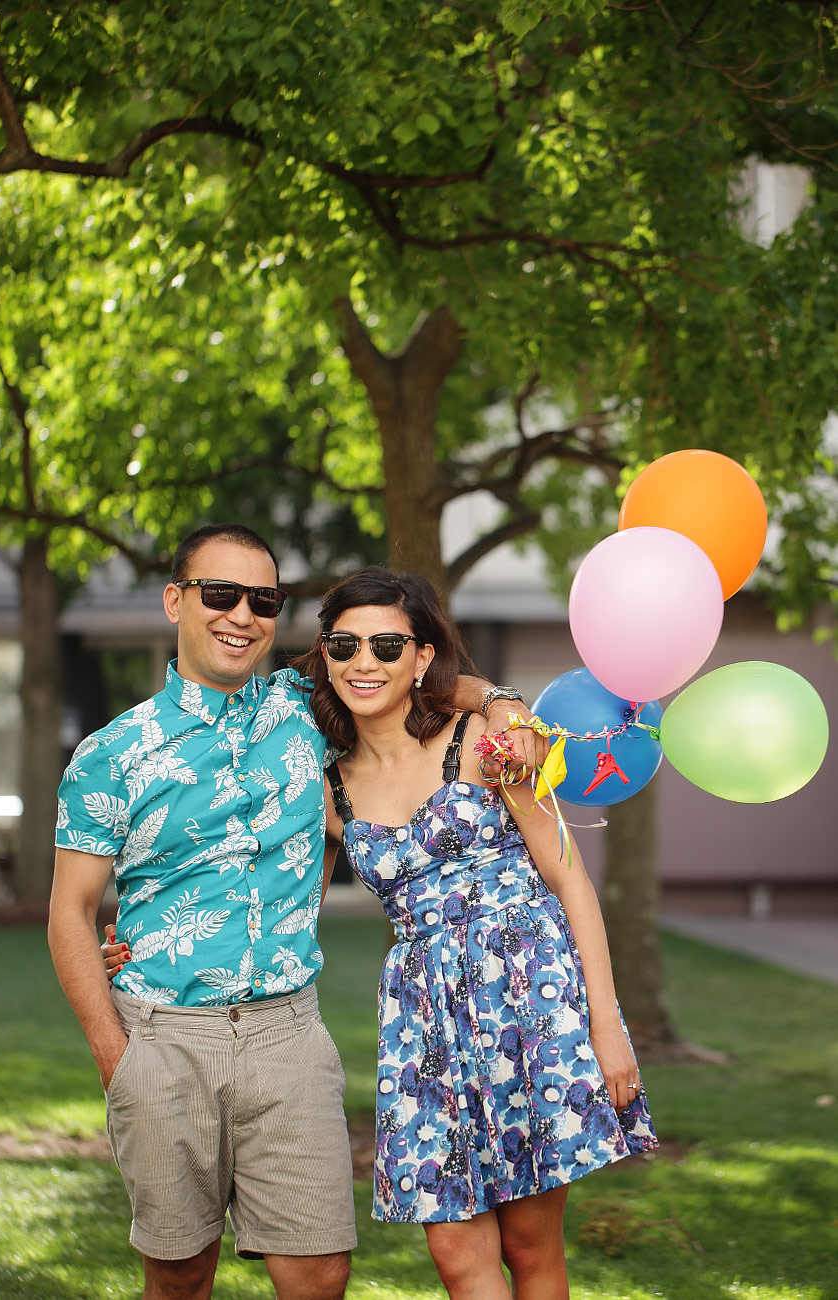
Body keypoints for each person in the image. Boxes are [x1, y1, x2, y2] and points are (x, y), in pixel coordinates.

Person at [48, 524, 543, 1300]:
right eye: (221, 594)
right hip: (163, 1039)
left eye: (263, 599)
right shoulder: (111, 756)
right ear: (176, 601)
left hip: (288, 1036)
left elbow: (417, 671)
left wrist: (504, 701)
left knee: (319, 1273)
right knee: (179, 1275)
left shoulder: (305, 703)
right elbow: (69, 913)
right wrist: (120, 1063)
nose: (241, 614)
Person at [294, 567, 658, 1300]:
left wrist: (607, 1023)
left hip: (528, 998)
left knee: (530, 1248)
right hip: (422, 1023)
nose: (365, 661)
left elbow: (569, 880)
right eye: (345, 644)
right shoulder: (326, 788)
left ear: (422, 657)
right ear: (326, 656)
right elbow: (280, 904)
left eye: (388, 644)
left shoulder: (487, 739)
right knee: (458, 1258)